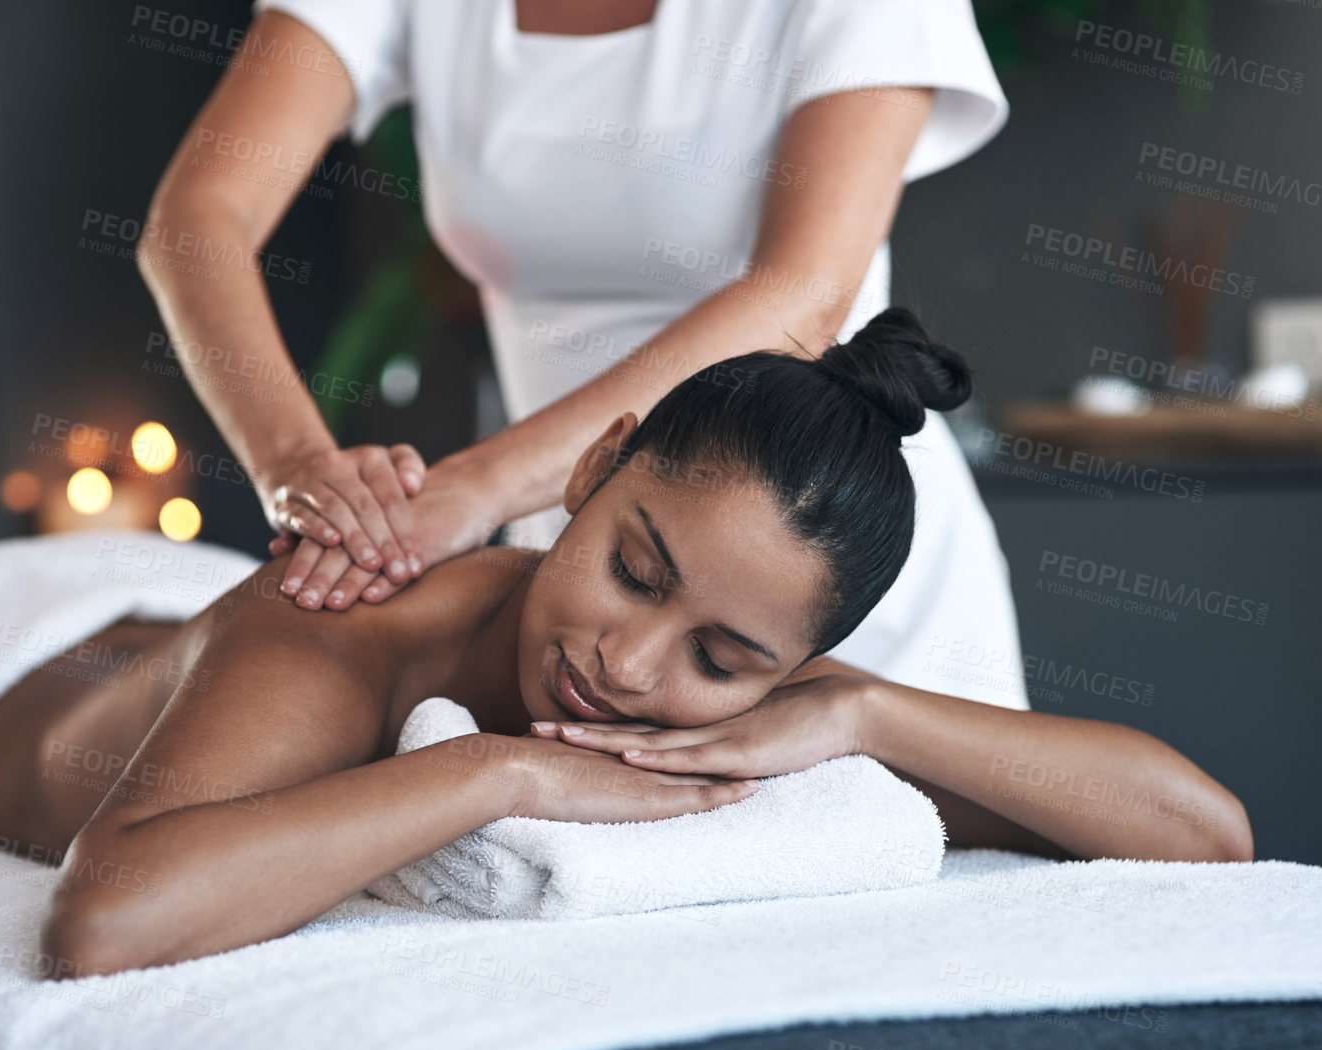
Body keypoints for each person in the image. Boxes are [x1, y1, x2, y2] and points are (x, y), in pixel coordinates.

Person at [0, 311, 1252, 977]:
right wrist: (502, 775)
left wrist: (866, 713)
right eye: (631, 568)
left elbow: (1204, 832)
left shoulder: (770, 703)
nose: (631, 666)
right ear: (590, 470)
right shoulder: (346, 630)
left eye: (721, 657)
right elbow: (103, 918)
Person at [139, 0, 1030, 710]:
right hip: (584, 568)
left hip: (815, 572)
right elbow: (198, 220)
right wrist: (305, 467)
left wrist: (476, 488)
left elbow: (801, 296)